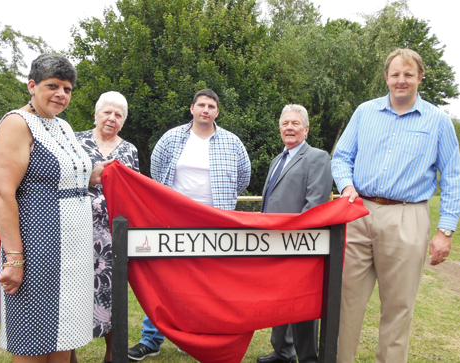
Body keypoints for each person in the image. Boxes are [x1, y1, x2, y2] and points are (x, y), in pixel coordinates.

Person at [332, 48, 460, 363]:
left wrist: (445, 229)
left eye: (408, 74)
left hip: (408, 216)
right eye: (395, 74)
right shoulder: (364, 112)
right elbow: (342, 157)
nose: (400, 80)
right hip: (359, 213)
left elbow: (453, 176)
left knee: (398, 307)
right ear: (386, 77)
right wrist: (347, 186)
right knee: (343, 303)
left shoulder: (438, 121)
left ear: (420, 77)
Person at [0, 54, 111, 363]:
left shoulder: (63, 126)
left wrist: (92, 176)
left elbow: (60, 178)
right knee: (33, 340)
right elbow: (2, 193)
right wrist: (15, 260)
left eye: (68, 89)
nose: (61, 94)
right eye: (53, 86)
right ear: (32, 86)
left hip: (74, 253)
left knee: (65, 337)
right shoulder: (17, 123)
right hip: (37, 250)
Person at [128, 88, 251, 361]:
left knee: (206, 282)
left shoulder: (232, 142)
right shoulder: (171, 138)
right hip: (174, 220)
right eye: (201, 105)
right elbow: (157, 173)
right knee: (164, 278)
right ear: (192, 108)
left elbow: (244, 177)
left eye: (211, 106)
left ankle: (193, 337)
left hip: (216, 222)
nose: (206, 110)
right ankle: (151, 339)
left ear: (217, 112)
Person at [256, 104, 332, 363]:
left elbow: (316, 204)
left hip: (300, 244)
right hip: (272, 243)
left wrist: (295, 240)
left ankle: (308, 357)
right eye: (285, 124)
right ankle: (282, 352)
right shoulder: (278, 160)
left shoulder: (317, 157)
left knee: (302, 305)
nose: (289, 128)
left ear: (306, 129)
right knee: (278, 300)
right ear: (280, 129)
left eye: (295, 123)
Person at [72, 91, 139, 363]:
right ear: (96, 114)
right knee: (74, 291)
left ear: (123, 121)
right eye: (107, 112)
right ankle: (70, 353)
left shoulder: (130, 150)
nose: (112, 119)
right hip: (77, 231)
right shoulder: (74, 142)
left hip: (114, 236)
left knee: (113, 293)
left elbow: (134, 192)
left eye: (118, 115)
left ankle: (112, 354)